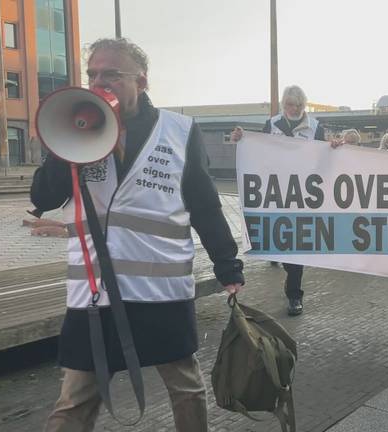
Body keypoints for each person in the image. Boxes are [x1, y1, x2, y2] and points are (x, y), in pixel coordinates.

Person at [32, 38, 244, 432]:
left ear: (141, 81)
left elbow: (204, 204)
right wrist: (66, 145)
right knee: (74, 400)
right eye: (93, 74)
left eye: (111, 74)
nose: (99, 82)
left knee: (185, 388)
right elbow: (43, 195)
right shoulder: (73, 127)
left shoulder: (179, 131)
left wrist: (227, 265)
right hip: (95, 291)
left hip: (159, 289)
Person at [231, 84, 332, 316]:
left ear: (303, 105)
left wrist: (334, 147)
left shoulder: (315, 127)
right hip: (275, 191)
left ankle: (295, 295)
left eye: (298, 105)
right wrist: (242, 138)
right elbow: (258, 148)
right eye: (289, 105)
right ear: (283, 105)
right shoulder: (273, 124)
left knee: (297, 246)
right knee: (281, 241)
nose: (293, 109)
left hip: (303, 193)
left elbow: (324, 155)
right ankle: (288, 271)